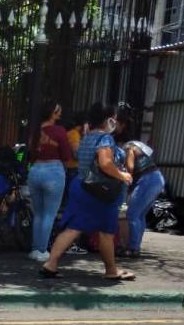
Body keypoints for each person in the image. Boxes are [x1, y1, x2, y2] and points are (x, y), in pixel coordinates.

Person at [38, 102, 135, 281]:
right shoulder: (105, 139)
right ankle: (111, 271)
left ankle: (50, 264)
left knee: (73, 228)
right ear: (108, 119)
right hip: (100, 191)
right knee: (106, 232)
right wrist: (122, 175)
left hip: (81, 186)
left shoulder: (86, 137)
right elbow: (105, 163)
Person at [25, 100, 73, 263]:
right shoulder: (59, 131)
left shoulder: (35, 131)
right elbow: (66, 154)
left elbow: (30, 154)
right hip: (53, 171)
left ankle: (35, 249)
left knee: (38, 214)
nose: (60, 113)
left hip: (35, 170)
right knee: (49, 214)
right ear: (52, 113)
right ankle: (42, 250)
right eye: (57, 111)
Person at [119, 110, 166, 258]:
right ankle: (135, 247)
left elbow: (131, 167)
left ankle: (132, 248)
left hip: (147, 179)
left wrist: (125, 177)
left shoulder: (128, 147)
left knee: (132, 214)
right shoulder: (139, 145)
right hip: (157, 178)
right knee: (140, 215)